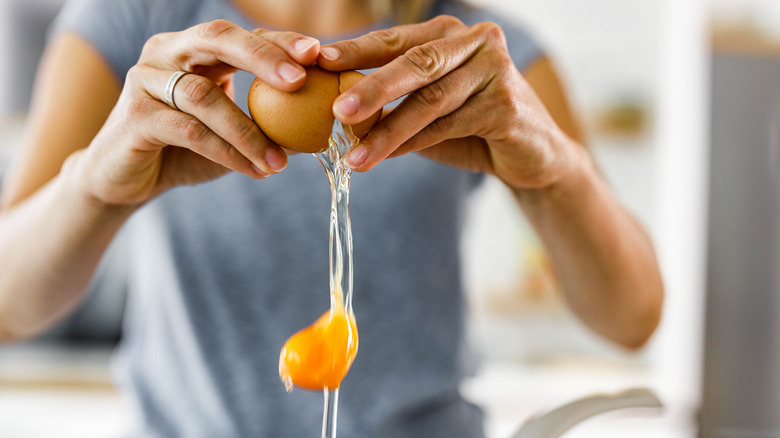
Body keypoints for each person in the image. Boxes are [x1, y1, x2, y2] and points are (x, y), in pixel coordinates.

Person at [0, 0, 664, 436]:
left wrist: (556, 172)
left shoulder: (480, 51)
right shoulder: (140, 20)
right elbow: (8, 306)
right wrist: (96, 185)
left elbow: (631, 317)